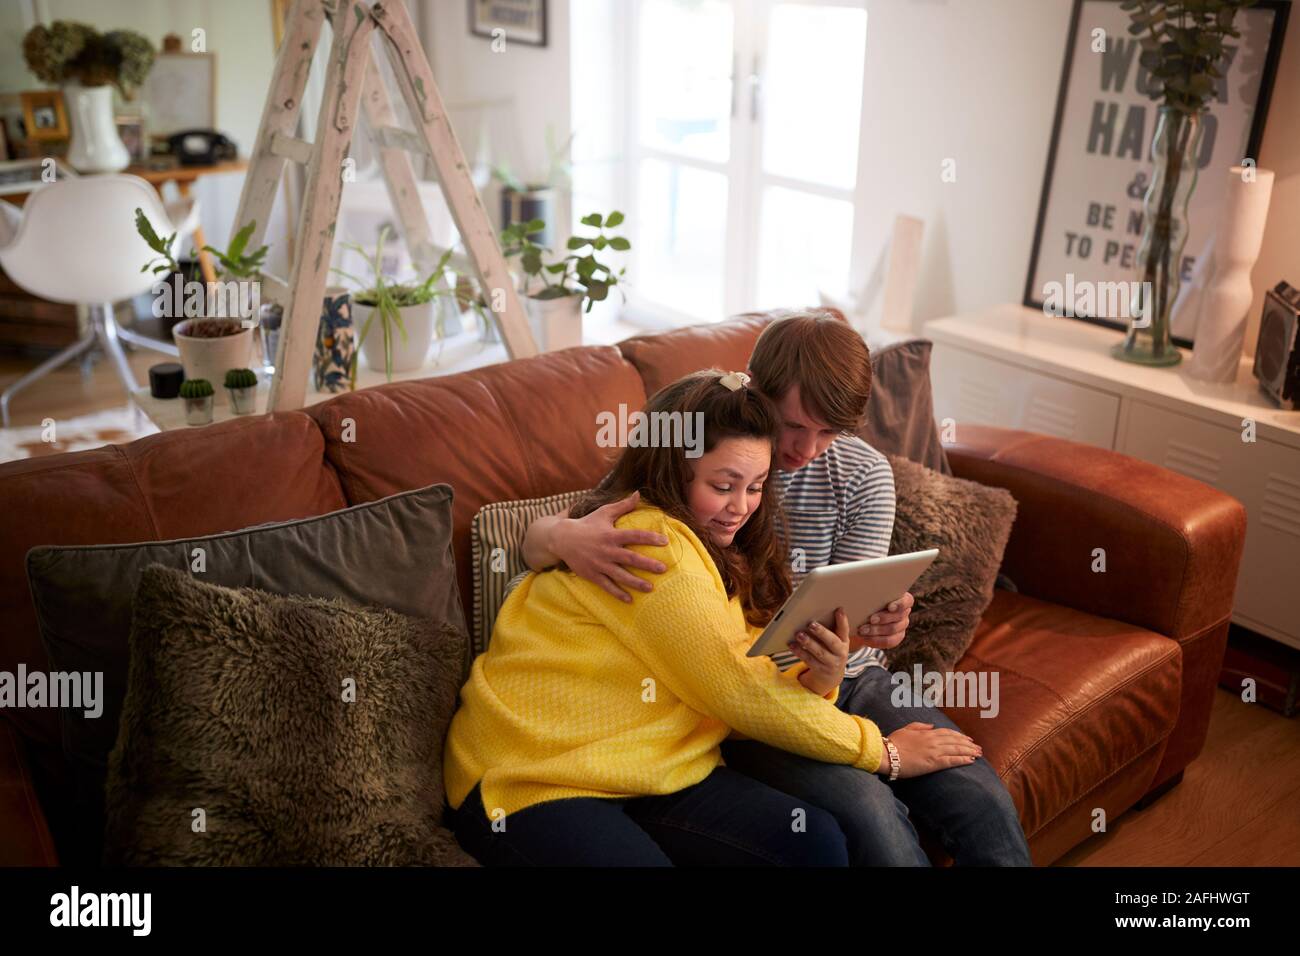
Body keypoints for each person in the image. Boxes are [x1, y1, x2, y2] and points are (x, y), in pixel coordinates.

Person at [521, 313, 1031, 866]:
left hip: (839, 676)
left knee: (979, 797)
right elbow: (565, 530)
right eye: (793, 425)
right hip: (746, 687)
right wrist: (567, 538)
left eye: (829, 432)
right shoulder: (703, 442)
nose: (806, 449)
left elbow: (846, 630)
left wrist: (868, 629)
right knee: (868, 813)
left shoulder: (862, 477)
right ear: (754, 386)